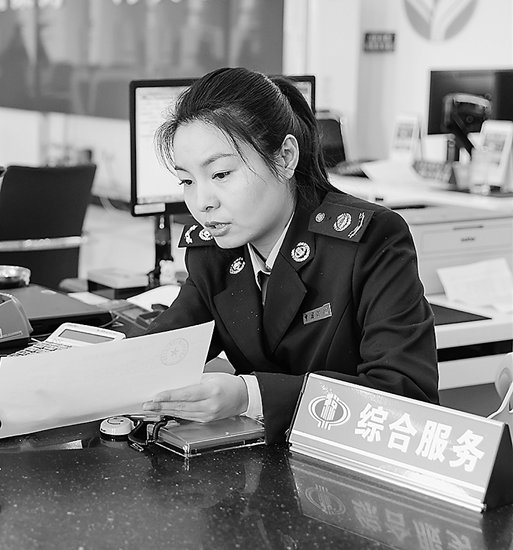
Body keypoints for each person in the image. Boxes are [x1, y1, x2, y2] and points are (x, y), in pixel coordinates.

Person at [141, 67, 438, 443]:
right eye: (187, 181)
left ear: (284, 158)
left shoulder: (369, 239)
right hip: (263, 465)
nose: (202, 203)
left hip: (352, 462)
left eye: (221, 174)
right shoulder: (215, 252)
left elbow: (406, 395)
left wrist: (249, 396)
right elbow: (160, 351)